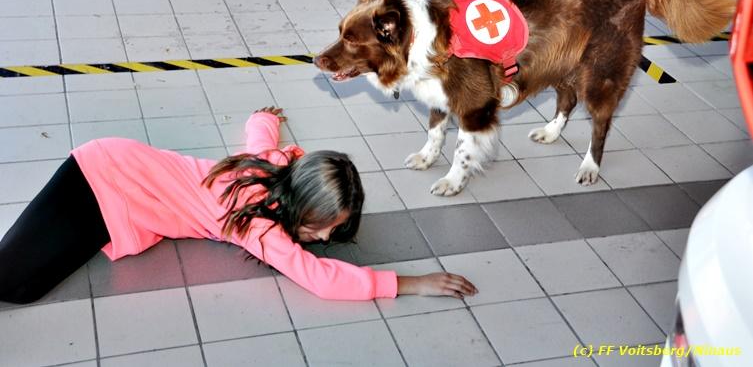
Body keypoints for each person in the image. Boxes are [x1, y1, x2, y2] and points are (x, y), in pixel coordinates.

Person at [0, 107, 477, 304]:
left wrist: (263, 116)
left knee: (26, 287)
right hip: (97, 177)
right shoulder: (259, 224)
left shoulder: (274, 168)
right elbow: (318, 278)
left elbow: (261, 139)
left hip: (118, 199)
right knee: (12, 283)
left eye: (335, 229)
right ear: (298, 201)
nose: (325, 238)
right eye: (322, 225)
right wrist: (410, 283)